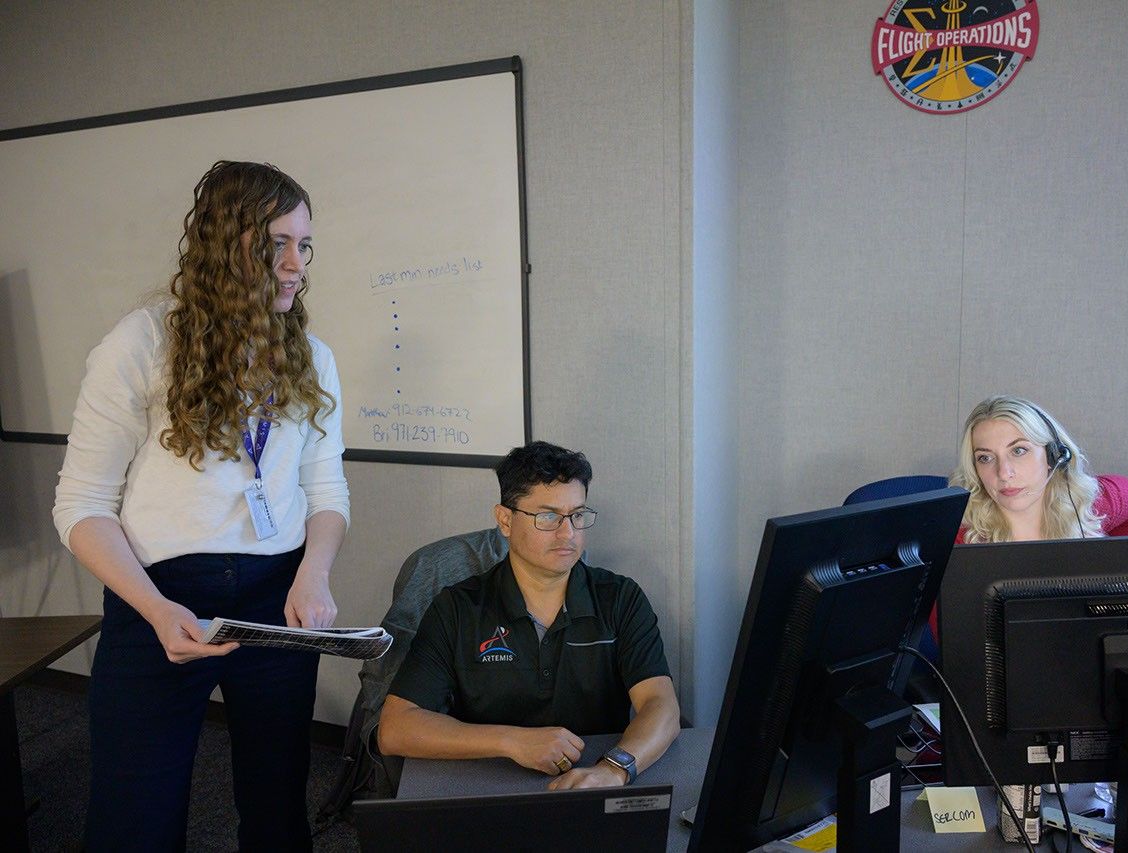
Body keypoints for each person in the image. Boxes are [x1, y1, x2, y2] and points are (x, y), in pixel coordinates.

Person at [52, 161, 349, 851]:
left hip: (276, 597)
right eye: (276, 243)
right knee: (136, 817)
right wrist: (156, 609)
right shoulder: (141, 344)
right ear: (223, 243)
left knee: (278, 809)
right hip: (158, 595)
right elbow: (81, 504)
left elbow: (326, 490)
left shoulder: (309, 356)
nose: (295, 265)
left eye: (304, 245)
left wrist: (315, 574)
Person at [378, 441, 680, 789]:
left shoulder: (621, 599)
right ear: (505, 520)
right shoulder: (457, 608)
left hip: (593, 779)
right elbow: (396, 728)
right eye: (547, 517)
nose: (568, 533)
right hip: (486, 781)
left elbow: (661, 705)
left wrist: (614, 770)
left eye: (577, 515)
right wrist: (512, 741)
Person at [930, 395, 1128, 638]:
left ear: (1053, 456)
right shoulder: (957, 543)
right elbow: (952, 642)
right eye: (985, 458)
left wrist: (1116, 570)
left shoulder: (1088, 505)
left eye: (1019, 450)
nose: (1003, 473)